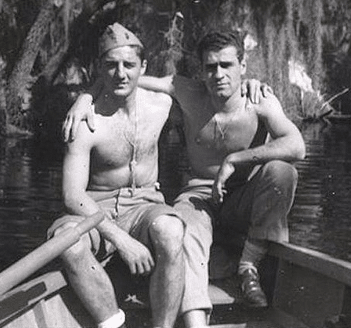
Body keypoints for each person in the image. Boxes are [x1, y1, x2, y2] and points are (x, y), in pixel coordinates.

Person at [65, 30, 306, 327]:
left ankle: (249, 264)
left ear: (242, 67)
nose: (218, 74)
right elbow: (124, 77)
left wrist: (235, 159)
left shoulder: (259, 99)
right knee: (181, 232)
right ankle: (195, 323)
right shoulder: (186, 92)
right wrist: (84, 98)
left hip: (245, 197)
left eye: (227, 65)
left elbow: (297, 146)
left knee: (283, 171)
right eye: (210, 67)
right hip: (200, 195)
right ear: (201, 70)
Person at [48, 22, 185, 328]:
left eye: (129, 65)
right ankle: (113, 322)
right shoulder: (84, 121)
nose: (120, 73)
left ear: (143, 67)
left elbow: (208, 94)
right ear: (99, 67)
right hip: (97, 209)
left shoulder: (163, 105)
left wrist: (252, 87)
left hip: (145, 205)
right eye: (110, 65)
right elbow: (72, 195)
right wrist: (121, 240)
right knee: (66, 242)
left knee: (171, 231)